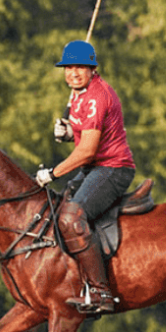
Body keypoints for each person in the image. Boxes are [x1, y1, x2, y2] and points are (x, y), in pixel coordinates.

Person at [35, 39, 136, 316]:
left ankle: (102, 292)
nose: (73, 72)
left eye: (81, 67)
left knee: (70, 218)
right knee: (57, 209)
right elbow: (85, 138)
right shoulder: (80, 95)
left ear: (93, 69)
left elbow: (88, 152)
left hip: (112, 167)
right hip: (96, 166)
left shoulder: (95, 97)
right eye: (68, 67)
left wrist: (52, 173)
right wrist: (70, 134)